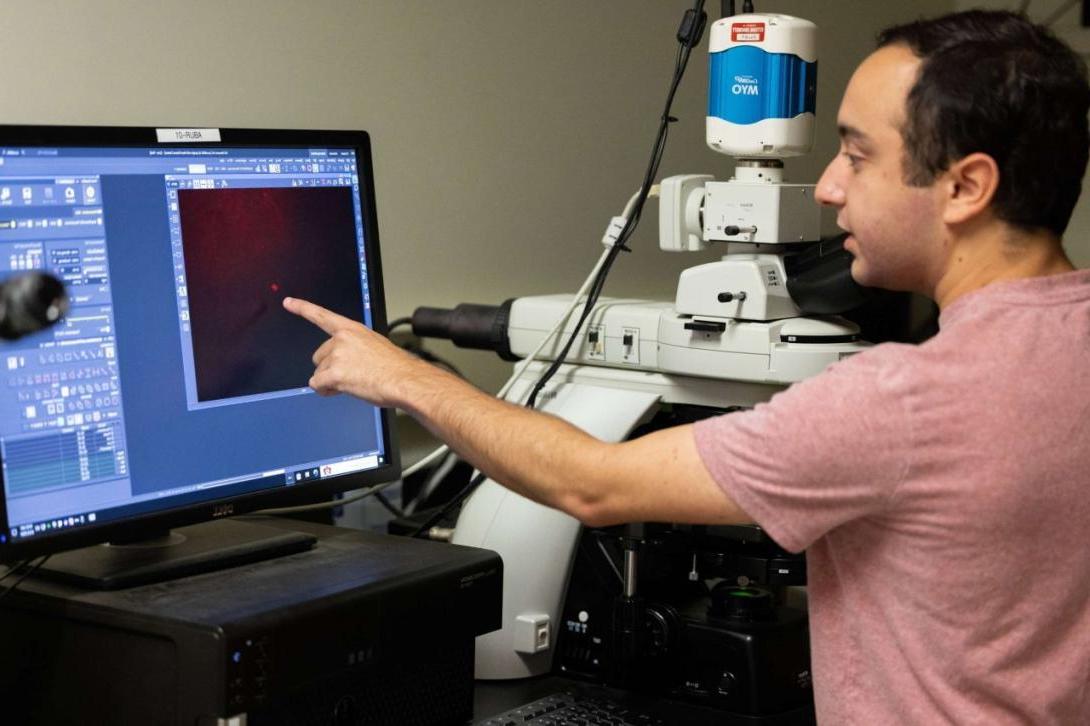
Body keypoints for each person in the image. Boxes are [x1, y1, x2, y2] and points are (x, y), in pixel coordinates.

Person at [284, 10, 1090, 724]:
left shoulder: (905, 400)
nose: (834, 188)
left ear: (966, 186)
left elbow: (592, 485)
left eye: (857, 154)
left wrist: (402, 376)